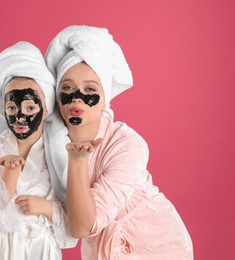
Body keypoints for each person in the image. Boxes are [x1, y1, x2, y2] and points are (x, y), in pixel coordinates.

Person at [42, 25, 193, 259]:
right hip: (103, 248)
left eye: (89, 89)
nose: (77, 98)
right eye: (68, 88)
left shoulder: (128, 145)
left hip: (159, 245)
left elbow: (82, 226)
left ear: (104, 99)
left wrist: (78, 162)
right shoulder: (51, 143)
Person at [0, 41, 76, 260]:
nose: (20, 117)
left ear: (46, 107)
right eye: (12, 107)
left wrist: (47, 208)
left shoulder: (57, 153)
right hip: (2, 248)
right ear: (3, 108)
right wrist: (9, 173)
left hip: (42, 247)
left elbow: (75, 213)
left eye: (30, 107)